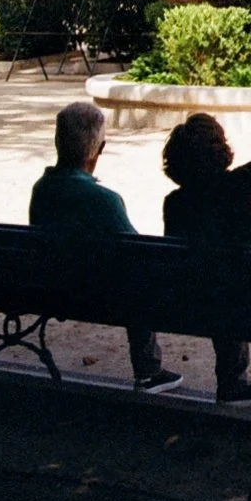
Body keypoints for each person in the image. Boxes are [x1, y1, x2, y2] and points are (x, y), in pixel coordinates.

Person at [28, 102, 182, 394]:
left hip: (50, 287)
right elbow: (139, 251)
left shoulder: (42, 189)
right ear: (100, 148)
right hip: (101, 294)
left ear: (57, 141)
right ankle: (148, 369)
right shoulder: (104, 200)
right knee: (138, 279)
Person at [161, 90, 251, 408]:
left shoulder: (175, 203)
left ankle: (233, 380)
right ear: (220, 150)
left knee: (229, 283)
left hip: (200, 299)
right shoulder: (237, 185)